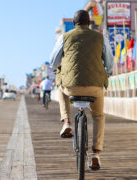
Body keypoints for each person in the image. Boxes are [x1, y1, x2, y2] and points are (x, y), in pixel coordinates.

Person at [50, 10, 113, 170]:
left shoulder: (64, 37)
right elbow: (109, 61)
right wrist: (107, 73)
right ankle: (96, 154)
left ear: (73, 22)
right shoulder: (100, 37)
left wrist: (61, 69)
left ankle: (66, 122)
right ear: (89, 22)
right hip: (95, 86)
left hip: (71, 86)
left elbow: (53, 61)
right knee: (98, 115)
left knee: (60, 84)